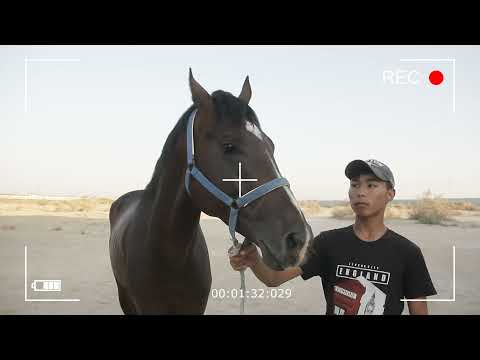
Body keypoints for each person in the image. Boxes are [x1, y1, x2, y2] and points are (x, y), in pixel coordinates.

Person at [230, 159, 437, 315]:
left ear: (390, 194)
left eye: (371, 185)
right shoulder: (328, 243)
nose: (360, 192)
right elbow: (273, 278)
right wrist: (254, 260)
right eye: (355, 185)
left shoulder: (407, 252)